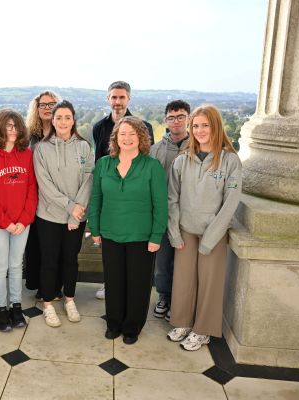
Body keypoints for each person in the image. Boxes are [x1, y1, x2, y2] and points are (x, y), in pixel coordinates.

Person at [166, 104, 242, 351]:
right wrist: (174, 233)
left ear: (216, 127)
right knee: (184, 279)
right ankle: (182, 322)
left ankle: (203, 330)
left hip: (213, 233)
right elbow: (172, 199)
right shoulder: (181, 161)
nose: (199, 130)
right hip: (186, 231)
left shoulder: (229, 161)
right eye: (195, 125)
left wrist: (211, 238)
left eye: (205, 125)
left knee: (210, 282)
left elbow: (231, 203)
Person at [88, 116, 167, 345]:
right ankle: (114, 322)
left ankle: (132, 326)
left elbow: (160, 205)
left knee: (138, 284)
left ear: (141, 137)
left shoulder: (152, 166)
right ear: (115, 137)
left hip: (141, 237)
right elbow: (96, 199)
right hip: (110, 233)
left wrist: (155, 236)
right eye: (122, 133)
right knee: (114, 282)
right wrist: (95, 227)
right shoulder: (103, 163)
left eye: (132, 133)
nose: (127, 138)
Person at [92, 81, 154, 300]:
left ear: (129, 99)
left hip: (134, 196)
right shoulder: (99, 127)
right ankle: (109, 284)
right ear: (108, 99)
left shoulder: (142, 125)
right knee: (111, 251)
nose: (117, 101)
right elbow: (97, 161)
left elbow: (146, 162)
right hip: (110, 192)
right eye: (114, 97)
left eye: (122, 97)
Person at [34, 100, 94, 327]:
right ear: (52, 119)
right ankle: (48, 304)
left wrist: (74, 215)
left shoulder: (84, 147)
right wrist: (70, 208)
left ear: (73, 120)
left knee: (70, 260)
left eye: (67, 117)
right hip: (48, 216)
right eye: (58, 117)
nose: (62, 121)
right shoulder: (41, 148)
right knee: (49, 261)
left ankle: (69, 299)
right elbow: (45, 185)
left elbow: (88, 181)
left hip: (76, 217)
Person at [0, 109, 38, 332]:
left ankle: (16, 305)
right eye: (8, 126)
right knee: (0, 266)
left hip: (22, 222)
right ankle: (1, 309)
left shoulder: (26, 154)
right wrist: (6, 222)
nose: (12, 130)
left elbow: (32, 188)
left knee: (16, 265)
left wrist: (23, 220)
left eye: (16, 126)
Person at [150, 100, 191, 322]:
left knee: (185, 264)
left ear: (188, 119)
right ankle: (164, 297)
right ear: (166, 120)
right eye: (172, 117)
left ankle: (181, 301)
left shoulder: (197, 147)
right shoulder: (156, 150)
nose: (176, 121)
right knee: (163, 263)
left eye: (181, 116)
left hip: (188, 216)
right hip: (163, 216)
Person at [24, 90, 64, 300]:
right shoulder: (29, 135)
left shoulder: (63, 134)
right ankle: (40, 284)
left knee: (55, 245)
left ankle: (56, 286)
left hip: (57, 197)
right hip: (34, 196)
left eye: (52, 104)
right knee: (37, 244)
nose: (47, 108)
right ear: (37, 109)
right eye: (43, 105)